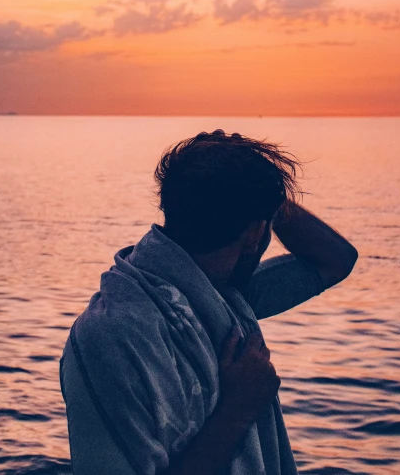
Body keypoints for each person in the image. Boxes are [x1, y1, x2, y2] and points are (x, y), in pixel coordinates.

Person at [60, 129, 358, 475]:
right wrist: (238, 409)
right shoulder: (113, 334)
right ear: (255, 233)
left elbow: (335, 260)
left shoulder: (222, 298)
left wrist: (261, 198)